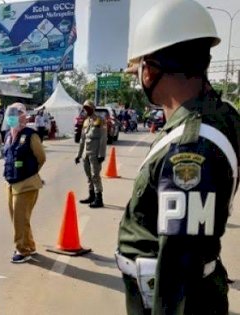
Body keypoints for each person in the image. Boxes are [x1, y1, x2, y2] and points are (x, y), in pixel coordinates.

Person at [116, 0, 240, 314]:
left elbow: (180, 268)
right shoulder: (218, 114)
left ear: (151, 70)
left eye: (141, 66)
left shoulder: (190, 147)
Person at [3, 103, 46, 263]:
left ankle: (22, 250)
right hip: (11, 183)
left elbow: (41, 157)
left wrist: (31, 172)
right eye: (11, 114)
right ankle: (29, 245)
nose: (12, 117)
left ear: (23, 116)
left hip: (27, 184)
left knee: (20, 220)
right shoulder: (8, 135)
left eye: (16, 113)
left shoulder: (30, 135)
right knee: (18, 218)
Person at [75, 100, 107, 208]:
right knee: (89, 176)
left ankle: (99, 198)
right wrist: (78, 155)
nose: (86, 110)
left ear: (93, 108)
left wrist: (101, 154)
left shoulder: (100, 120)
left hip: (95, 152)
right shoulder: (85, 121)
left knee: (95, 176)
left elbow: (103, 138)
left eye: (88, 108)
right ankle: (91, 195)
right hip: (86, 153)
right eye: (85, 108)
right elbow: (82, 140)